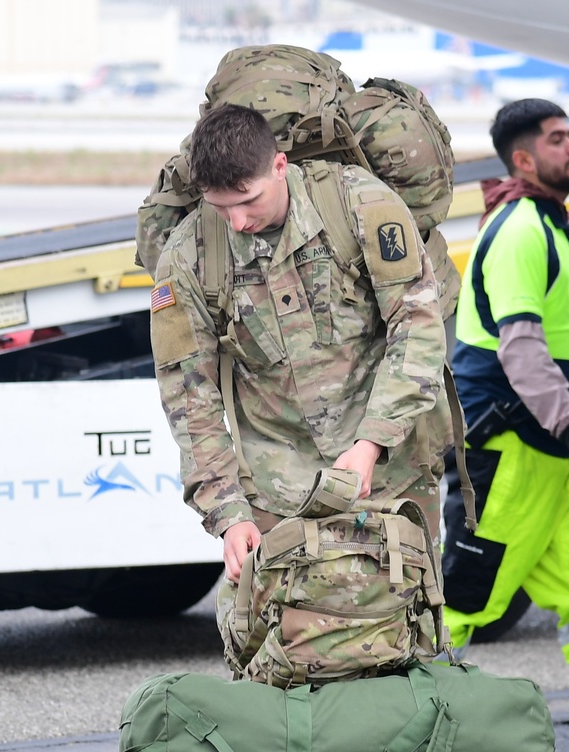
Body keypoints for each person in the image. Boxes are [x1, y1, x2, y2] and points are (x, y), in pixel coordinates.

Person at [149, 102, 453, 584]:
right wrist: (229, 513)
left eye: (248, 199)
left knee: (406, 623)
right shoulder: (187, 257)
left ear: (280, 166)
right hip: (276, 490)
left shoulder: (359, 206)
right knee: (283, 644)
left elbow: (417, 327)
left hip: (392, 468)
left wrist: (371, 442)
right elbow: (190, 399)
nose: (237, 222)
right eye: (219, 205)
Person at [440, 98, 569, 690]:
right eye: (556, 139)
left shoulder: (556, 226)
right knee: (466, 594)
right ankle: (397, 724)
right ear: (523, 159)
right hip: (510, 448)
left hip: (549, 448)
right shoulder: (520, 230)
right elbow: (520, 350)